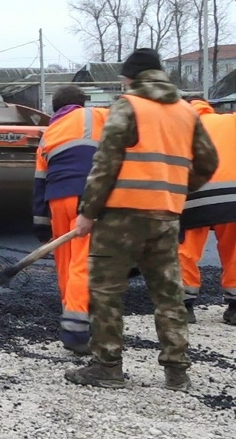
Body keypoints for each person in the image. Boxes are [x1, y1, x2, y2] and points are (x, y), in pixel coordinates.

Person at [66, 48, 218, 393]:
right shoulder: (186, 111)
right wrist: (177, 187)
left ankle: (107, 367)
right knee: (168, 294)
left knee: (106, 290)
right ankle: (177, 372)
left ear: (130, 77)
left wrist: (88, 212)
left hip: (120, 215)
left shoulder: (128, 105)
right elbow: (208, 162)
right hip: (165, 214)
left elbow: (105, 163)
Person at [32, 85, 108, 354]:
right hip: (86, 196)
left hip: (57, 200)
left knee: (65, 260)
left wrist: (41, 224)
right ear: (82, 103)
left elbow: (40, 180)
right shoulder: (98, 116)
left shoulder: (49, 133)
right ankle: (77, 329)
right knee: (83, 259)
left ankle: (70, 312)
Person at [178, 98, 236, 326]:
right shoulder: (230, 121)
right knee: (234, 249)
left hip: (195, 192)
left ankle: (184, 305)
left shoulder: (183, 124)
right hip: (234, 193)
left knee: (186, 247)